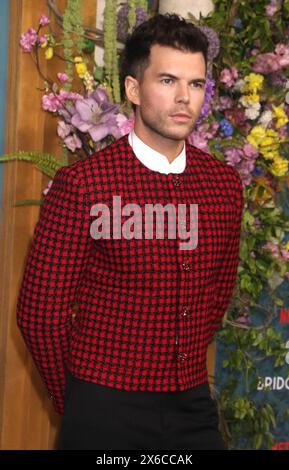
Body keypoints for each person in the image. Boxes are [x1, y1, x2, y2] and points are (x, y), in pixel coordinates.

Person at [16, 13, 243, 450]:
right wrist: (79, 398)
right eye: (168, 81)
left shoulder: (223, 186)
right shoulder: (85, 185)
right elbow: (39, 314)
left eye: (195, 84)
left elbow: (216, 295)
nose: (184, 98)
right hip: (103, 407)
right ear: (133, 89)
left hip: (192, 405)